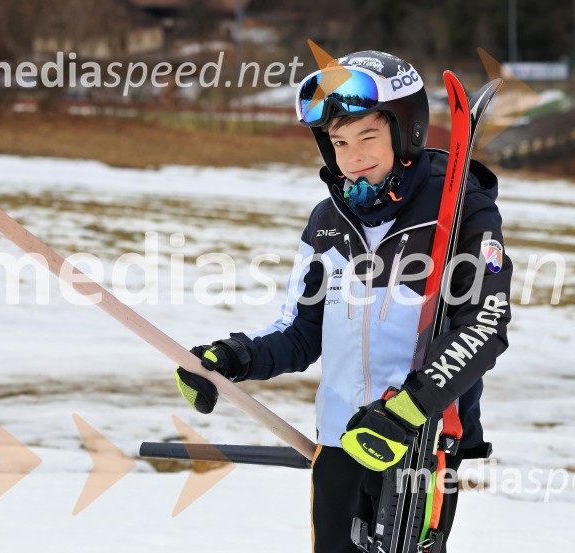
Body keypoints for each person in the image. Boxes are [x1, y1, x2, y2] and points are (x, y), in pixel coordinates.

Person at [175, 50, 512, 552]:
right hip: (340, 444)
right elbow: (300, 332)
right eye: (339, 142)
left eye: (367, 137)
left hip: (420, 445)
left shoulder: (463, 209)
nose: (353, 157)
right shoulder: (326, 222)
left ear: (408, 131)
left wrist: (407, 410)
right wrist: (233, 359)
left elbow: (484, 326)